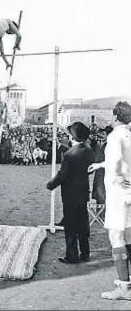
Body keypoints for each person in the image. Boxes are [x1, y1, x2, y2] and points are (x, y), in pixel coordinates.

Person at [92, 102, 131, 300]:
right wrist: (101, 164)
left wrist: (121, 180)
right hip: (129, 193)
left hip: (119, 193)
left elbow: (117, 163)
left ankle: (124, 286)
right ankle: (127, 283)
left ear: (115, 117)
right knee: (129, 237)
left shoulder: (114, 136)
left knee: (117, 237)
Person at [46, 122, 95, 264]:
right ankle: (85, 253)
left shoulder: (69, 155)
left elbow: (63, 174)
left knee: (71, 226)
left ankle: (72, 255)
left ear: (72, 137)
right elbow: (77, 155)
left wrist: (51, 184)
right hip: (83, 192)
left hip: (70, 195)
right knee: (82, 224)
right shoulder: (87, 150)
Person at [88, 126, 113, 219]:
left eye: (103, 134)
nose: (100, 136)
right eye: (100, 134)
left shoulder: (110, 145)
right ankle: (100, 214)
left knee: (103, 192)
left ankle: (104, 215)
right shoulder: (97, 144)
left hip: (106, 171)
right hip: (98, 171)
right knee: (98, 192)